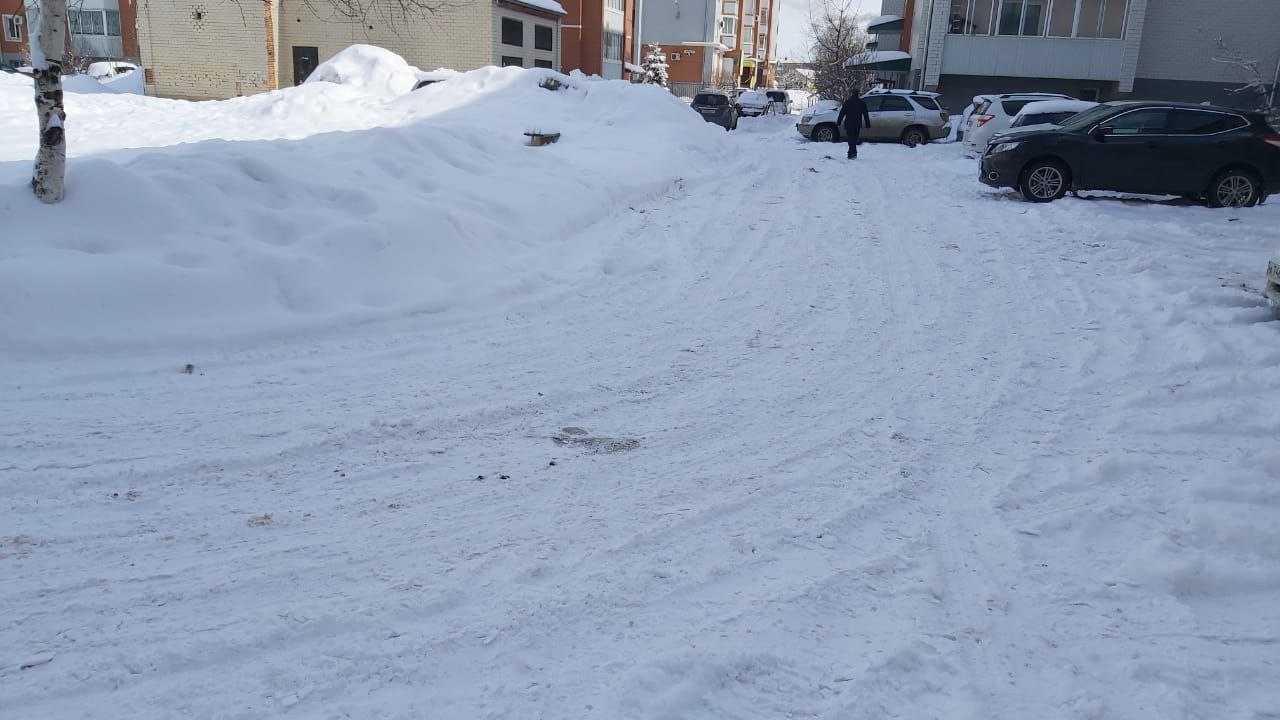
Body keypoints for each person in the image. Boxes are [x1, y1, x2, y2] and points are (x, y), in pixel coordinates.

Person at [835, 90, 872, 159]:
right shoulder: (862, 103)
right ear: (858, 94)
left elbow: (842, 113)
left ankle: (851, 153)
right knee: (854, 138)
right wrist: (867, 124)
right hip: (857, 124)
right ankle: (853, 153)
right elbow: (865, 114)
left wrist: (838, 122)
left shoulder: (847, 102)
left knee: (850, 138)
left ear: (851, 94)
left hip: (848, 123)